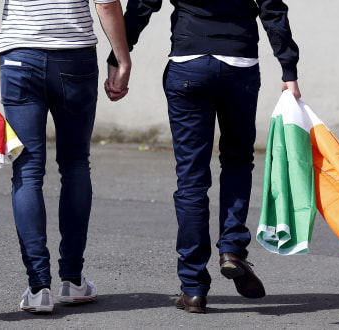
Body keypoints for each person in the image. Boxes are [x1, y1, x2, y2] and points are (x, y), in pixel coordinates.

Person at [105, 0, 301, 313]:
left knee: (191, 177)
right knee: (237, 161)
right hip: (240, 65)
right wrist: (288, 68)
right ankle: (232, 250)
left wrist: (118, 56)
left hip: (189, 64)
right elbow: (272, 8)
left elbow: (143, 4)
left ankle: (194, 288)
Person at [0, 0, 131, 313]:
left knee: (27, 171)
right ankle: (72, 281)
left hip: (20, 57)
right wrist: (122, 58)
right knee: (75, 165)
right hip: (76, 58)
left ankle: (38, 287)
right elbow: (108, 4)